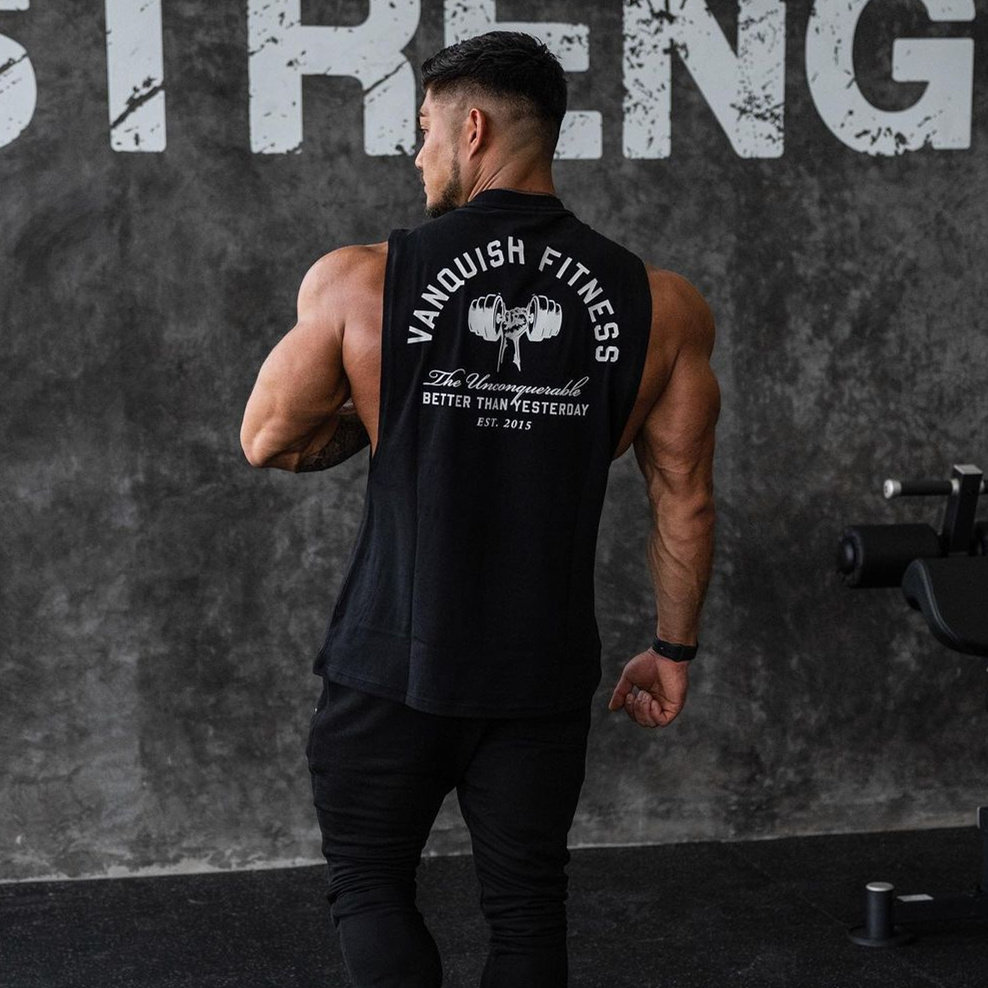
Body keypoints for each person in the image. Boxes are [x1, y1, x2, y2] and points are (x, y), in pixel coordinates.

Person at [240, 30, 719, 988]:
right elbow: (686, 501)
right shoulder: (662, 306)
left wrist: (391, 410)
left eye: (423, 131)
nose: (417, 155)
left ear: (471, 130)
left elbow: (269, 439)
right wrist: (672, 651)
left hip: (389, 663)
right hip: (539, 671)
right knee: (528, 910)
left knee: (370, 886)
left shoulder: (360, 280)